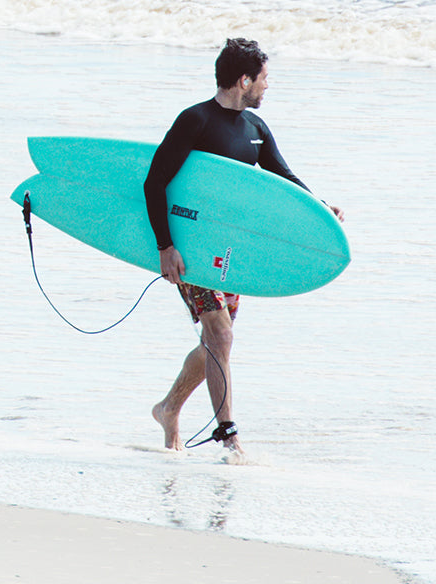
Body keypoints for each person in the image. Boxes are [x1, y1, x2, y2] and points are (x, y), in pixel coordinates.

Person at [143, 37, 342, 455]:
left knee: (220, 339)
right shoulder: (194, 121)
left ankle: (168, 408)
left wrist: (320, 210)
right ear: (244, 79)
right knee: (220, 335)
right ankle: (228, 437)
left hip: (229, 255)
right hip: (191, 250)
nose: (267, 87)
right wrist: (166, 246)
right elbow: (154, 181)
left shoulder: (255, 129)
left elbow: (282, 178)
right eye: (264, 79)